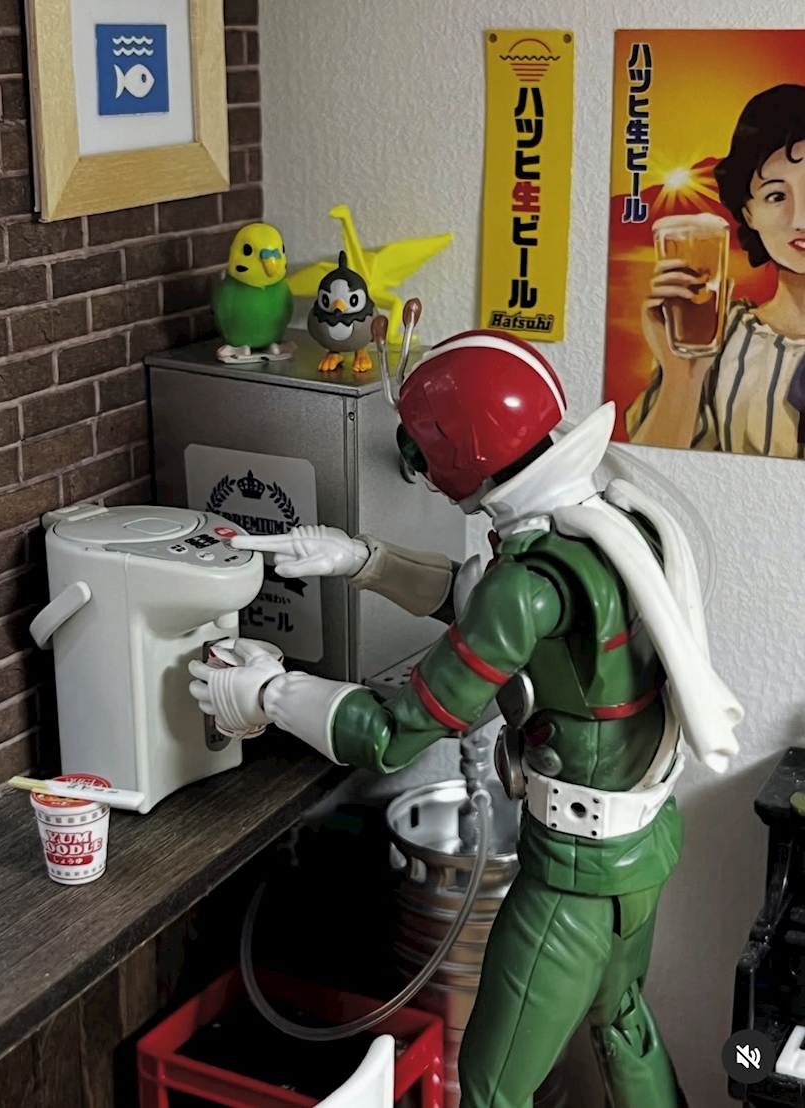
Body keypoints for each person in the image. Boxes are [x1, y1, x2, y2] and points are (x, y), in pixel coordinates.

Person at [188, 327, 742, 1108]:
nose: (415, 467)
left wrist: (270, 693)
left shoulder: (531, 579)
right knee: (620, 1021)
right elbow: (493, 603)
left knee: (487, 1090)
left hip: (575, 875)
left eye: (422, 448)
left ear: (460, 451)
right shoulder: (611, 524)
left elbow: (391, 735)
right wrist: (361, 559)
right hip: (643, 848)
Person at [628, 84, 805, 456]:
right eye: (776, 196)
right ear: (748, 212)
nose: (800, 219)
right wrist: (682, 374)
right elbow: (646, 473)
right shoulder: (720, 335)